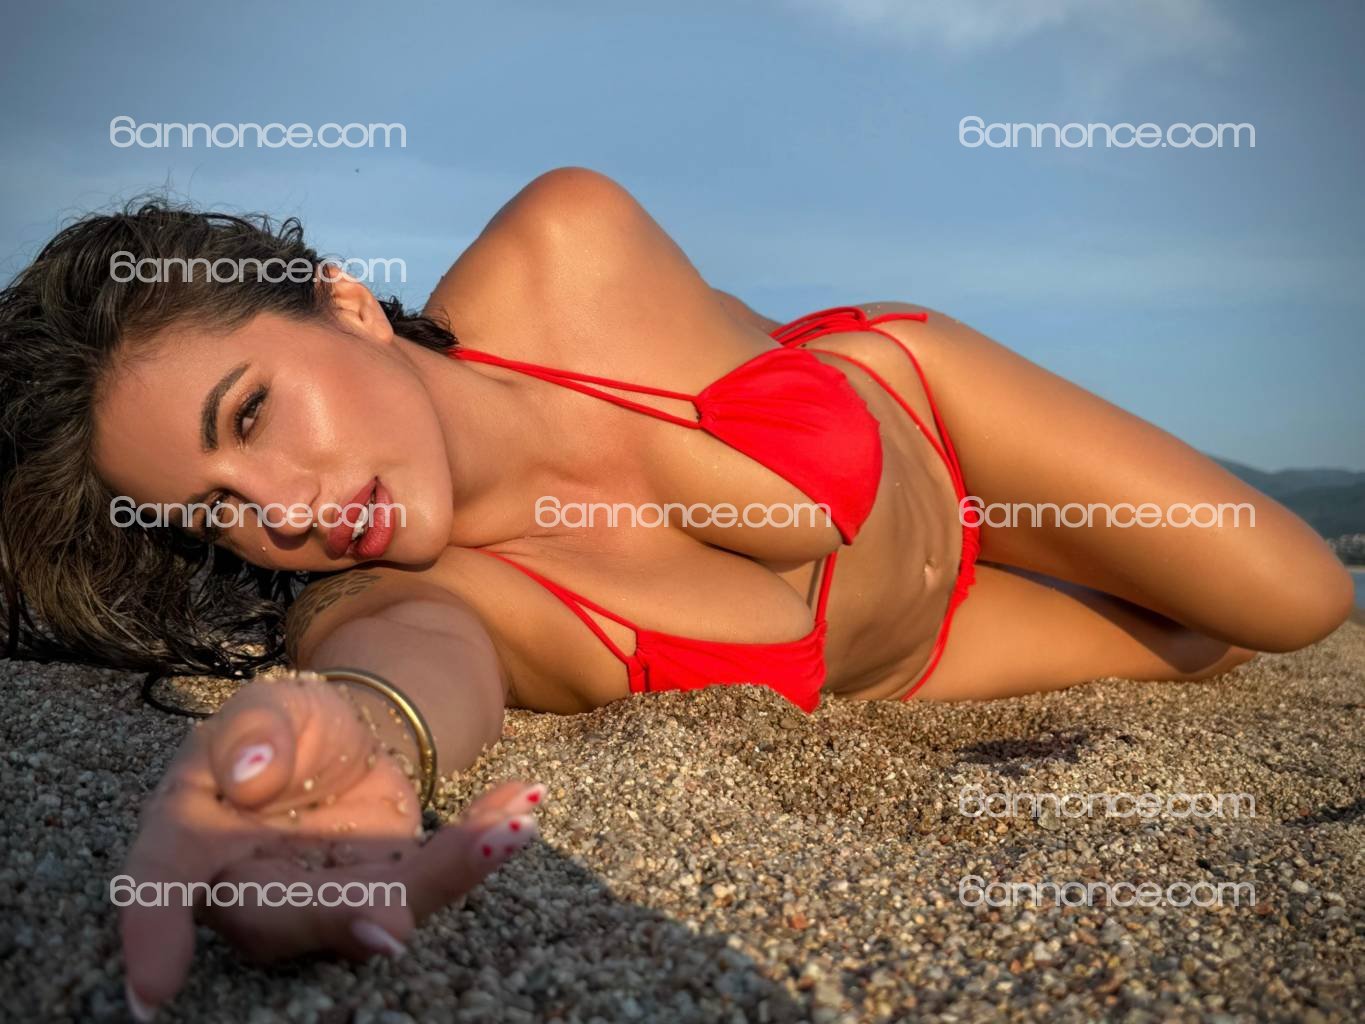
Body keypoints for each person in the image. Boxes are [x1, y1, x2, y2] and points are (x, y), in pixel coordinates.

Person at [0, 167, 1352, 1018]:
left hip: (939, 423)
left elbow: (774, 489)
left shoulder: (565, 247)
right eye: (217, 512)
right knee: (1219, 642)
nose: (283, 509)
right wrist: (358, 739)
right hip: (922, 652)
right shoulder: (405, 600)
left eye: (253, 415)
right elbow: (400, 668)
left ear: (343, 304)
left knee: (1299, 598)